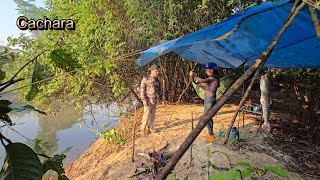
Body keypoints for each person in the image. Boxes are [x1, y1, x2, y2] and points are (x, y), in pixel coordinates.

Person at [189, 63, 220, 141]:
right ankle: (211, 134)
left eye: (207, 70)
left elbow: (203, 80)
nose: (206, 72)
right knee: (209, 117)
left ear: (211, 70)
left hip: (210, 99)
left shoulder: (214, 78)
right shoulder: (211, 79)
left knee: (205, 117)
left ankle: (211, 135)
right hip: (207, 98)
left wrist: (193, 75)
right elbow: (205, 88)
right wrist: (197, 82)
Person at [140, 64, 164, 136]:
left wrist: (162, 98)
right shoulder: (145, 78)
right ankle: (143, 129)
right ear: (152, 71)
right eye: (156, 71)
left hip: (154, 100)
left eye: (158, 71)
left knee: (152, 115)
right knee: (146, 115)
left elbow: (159, 90)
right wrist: (143, 99)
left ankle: (151, 128)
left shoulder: (157, 80)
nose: (158, 73)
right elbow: (142, 90)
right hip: (147, 101)